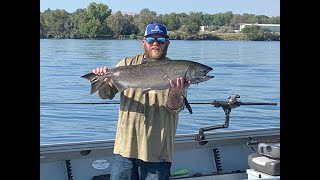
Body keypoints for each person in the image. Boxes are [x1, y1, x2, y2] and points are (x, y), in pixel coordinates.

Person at [92, 23, 191, 180]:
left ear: (168, 42)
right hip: (124, 149)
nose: (155, 43)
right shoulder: (126, 64)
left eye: (160, 40)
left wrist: (176, 91)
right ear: (144, 42)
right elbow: (106, 95)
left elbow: (175, 108)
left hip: (158, 152)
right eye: (151, 39)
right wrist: (101, 80)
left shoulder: (177, 70)